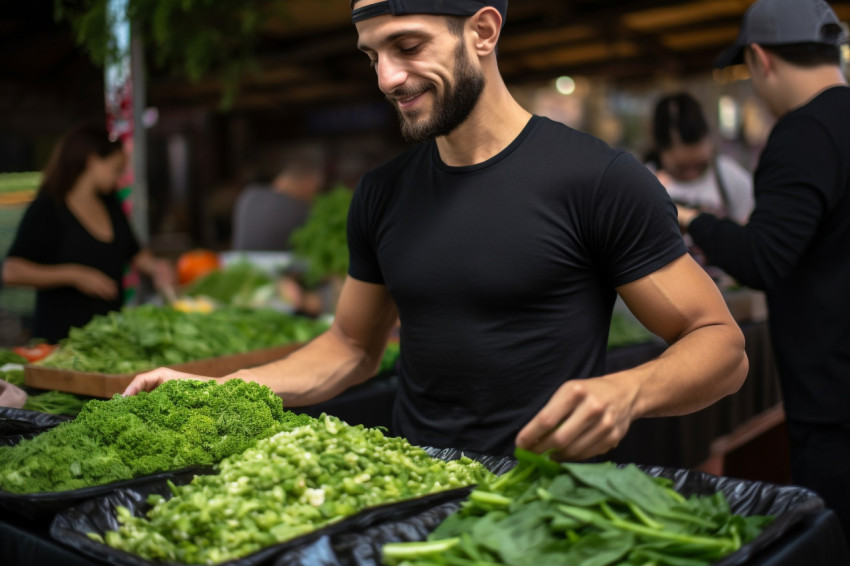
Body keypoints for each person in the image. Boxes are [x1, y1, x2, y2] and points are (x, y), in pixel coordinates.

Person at [125, 0, 748, 461]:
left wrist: (628, 391)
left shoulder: (597, 179)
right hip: (415, 491)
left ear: (482, 31)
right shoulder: (382, 192)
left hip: (546, 503)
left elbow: (720, 344)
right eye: (373, 55)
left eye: (408, 46)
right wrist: (218, 389)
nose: (386, 78)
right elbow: (349, 347)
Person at [677, 0, 850, 538]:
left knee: (832, 541)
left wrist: (688, 217)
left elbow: (763, 259)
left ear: (760, 59)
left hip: (834, 404)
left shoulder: (801, 134)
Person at [2, 124, 174, 343]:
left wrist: (156, 267)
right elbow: (12, 272)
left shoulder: (110, 203)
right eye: (116, 169)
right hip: (60, 344)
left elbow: (134, 252)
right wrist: (75, 275)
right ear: (93, 160)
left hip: (109, 339)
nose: (119, 178)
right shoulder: (48, 209)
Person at [646, 92, 754, 224]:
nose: (691, 173)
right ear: (660, 150)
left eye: (700, 165)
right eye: (681, 168)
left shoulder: (725, 174)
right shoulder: (646, 182)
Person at [231, 159, 325, 251]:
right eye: (316, 189)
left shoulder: (248, 195)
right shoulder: (299, 209)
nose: (314, 197)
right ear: (308, 183)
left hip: (239, 263)